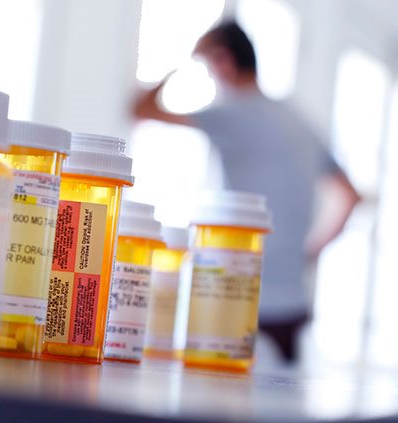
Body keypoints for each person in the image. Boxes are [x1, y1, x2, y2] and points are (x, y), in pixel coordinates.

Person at [133, 21, 360, 363]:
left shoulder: (231, 114)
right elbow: (350, 195)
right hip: (294, 305)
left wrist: (183, 60)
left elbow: (141, 109)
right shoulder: (297, 119)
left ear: (223, 61)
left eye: (208, 68)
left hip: (241, 302)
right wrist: (309, 251)